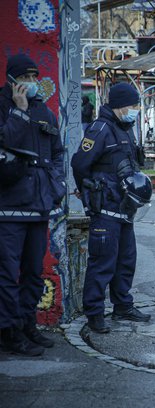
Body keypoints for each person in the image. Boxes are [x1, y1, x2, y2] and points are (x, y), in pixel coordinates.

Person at [71, 83, 152, 334]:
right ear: (119, 105)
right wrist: (87, 190)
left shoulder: (124, 129)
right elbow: (80, 164)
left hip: (125, 208)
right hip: (105, 209)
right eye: (133, 105)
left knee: (126, 261)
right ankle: (94, 314)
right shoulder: (100, 129)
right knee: (102, 263)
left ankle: (123, 306)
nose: (135, 110)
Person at [0, 53, 65, 356]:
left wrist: (57, 185)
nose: (31, 83)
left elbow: (57, 152)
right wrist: (19, 111)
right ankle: (9, 331)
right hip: (9, 209)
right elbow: (7, 141)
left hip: (39, 207)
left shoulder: (45, 112)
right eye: (25, 78)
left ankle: (27, 325)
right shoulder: (4, 107)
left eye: (34, 78)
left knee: (33, 273)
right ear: (12, 80)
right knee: (6, 274)